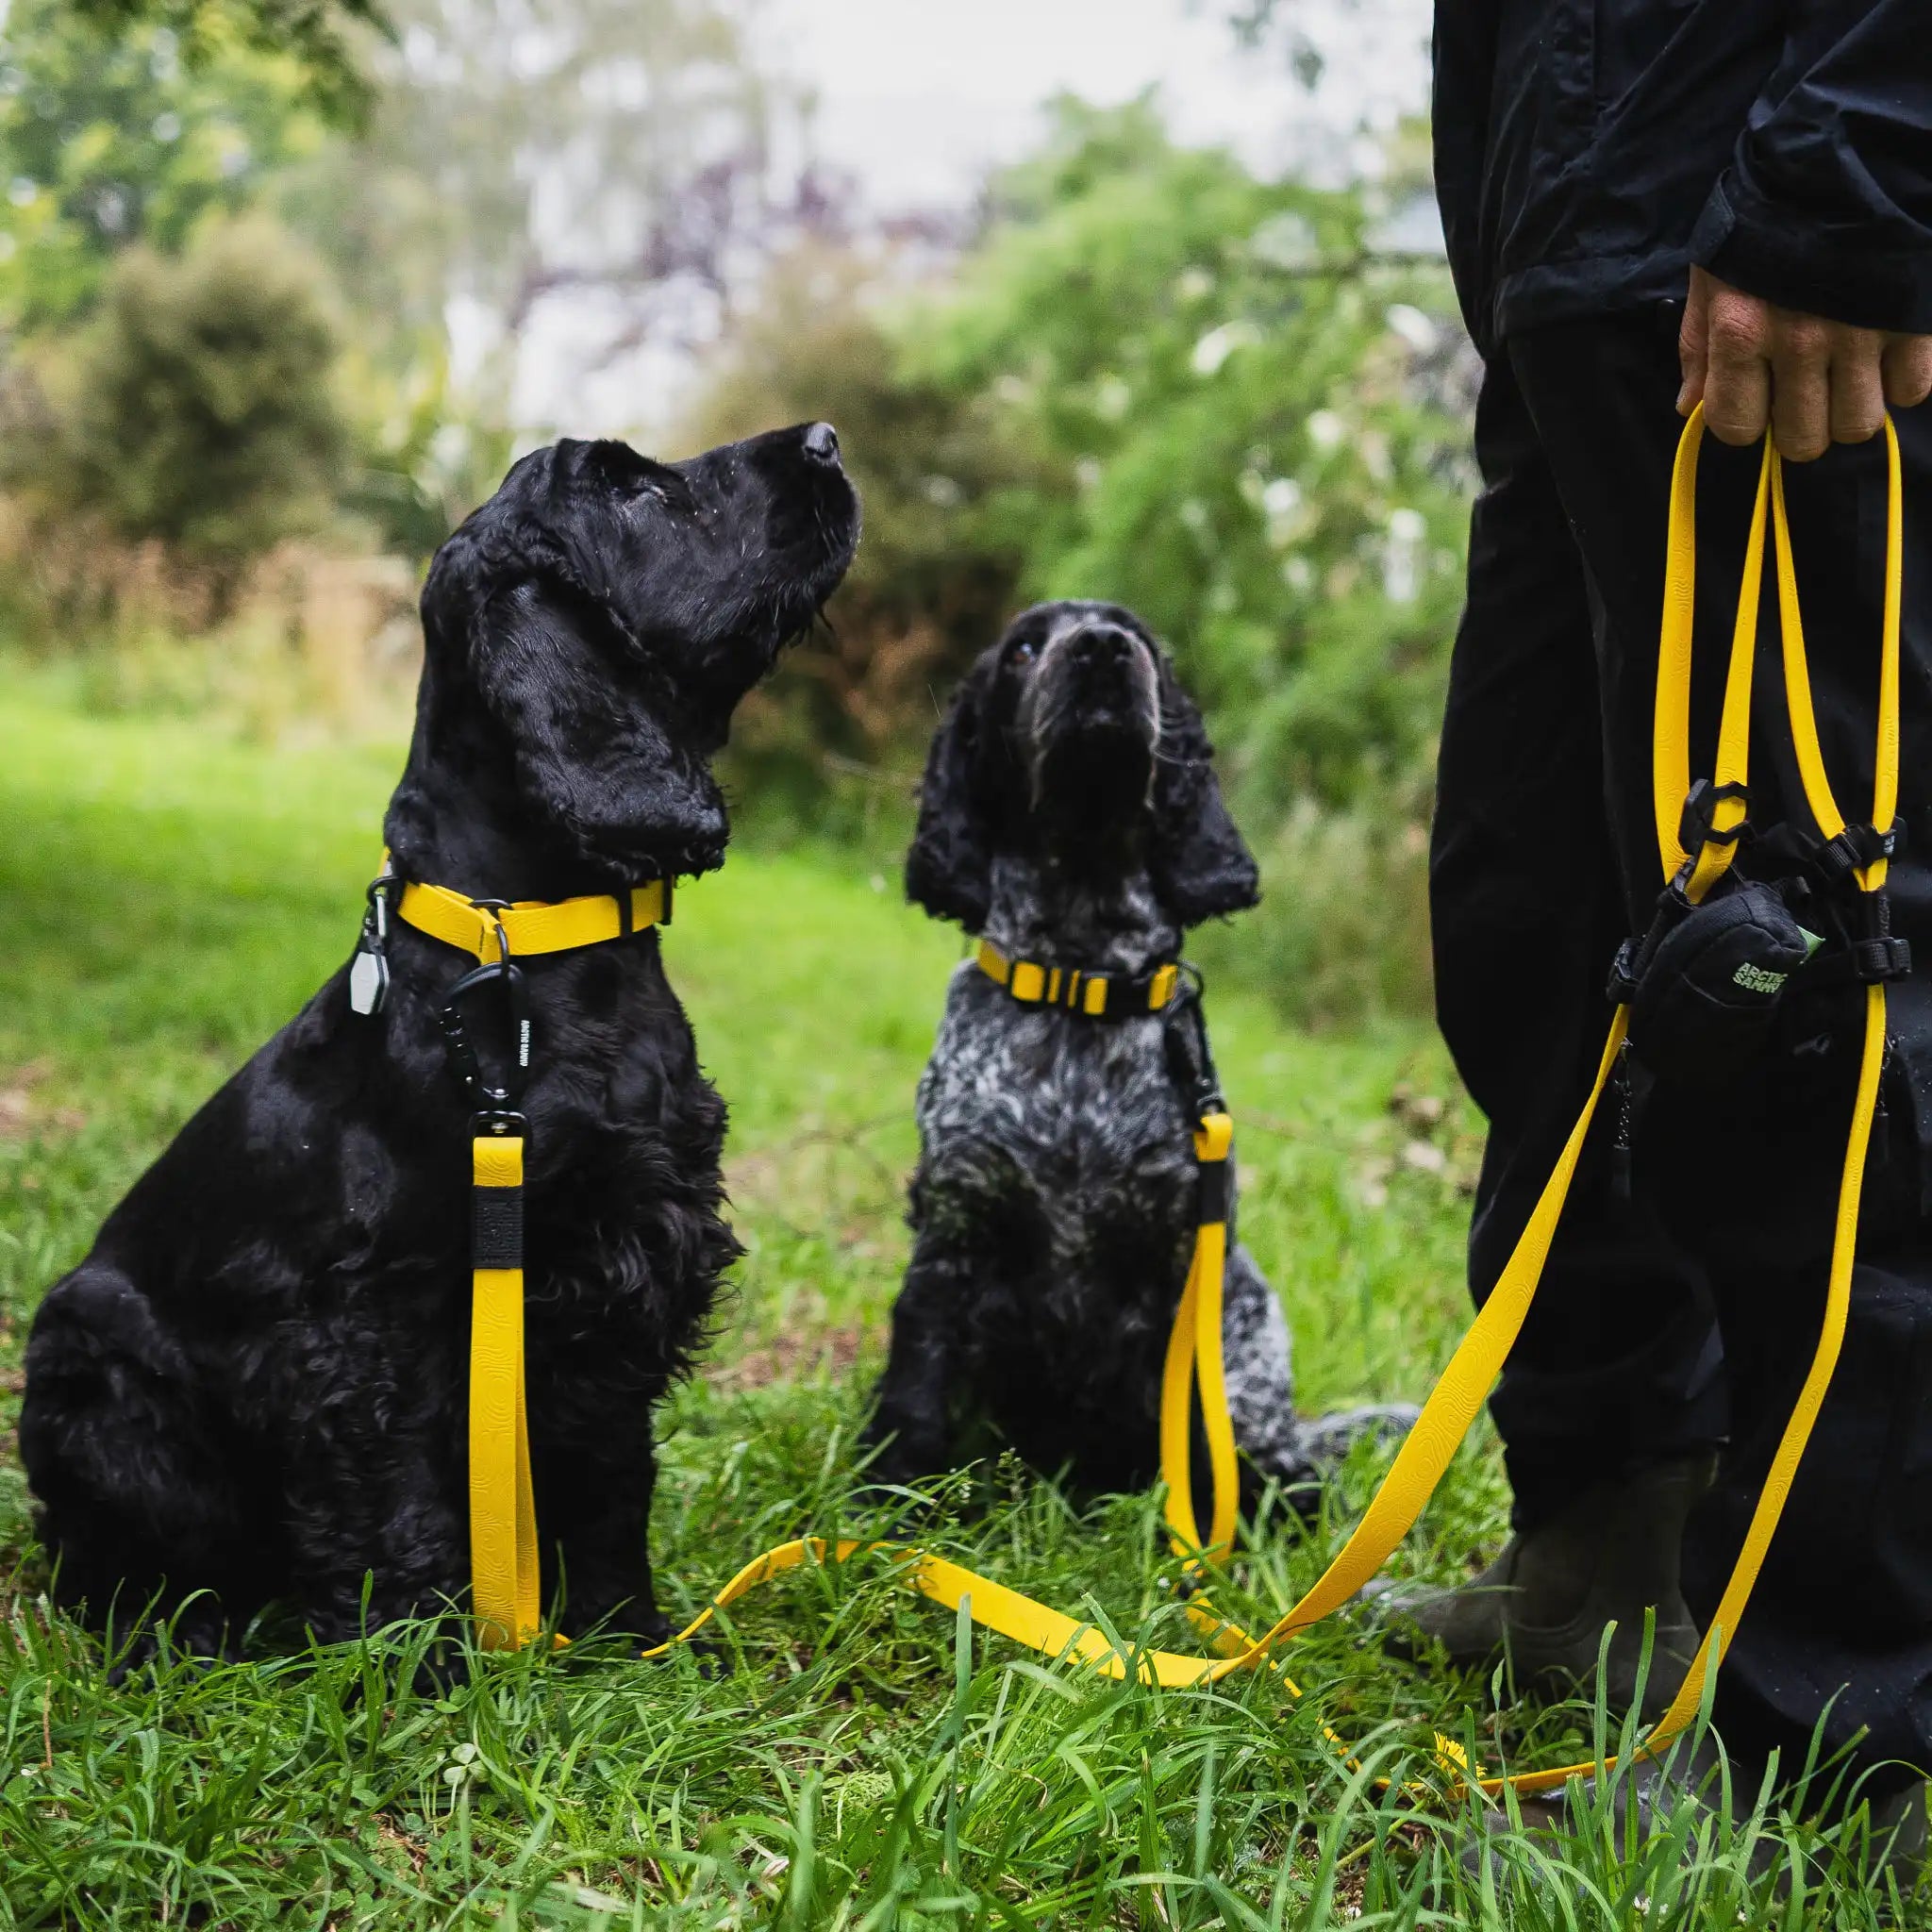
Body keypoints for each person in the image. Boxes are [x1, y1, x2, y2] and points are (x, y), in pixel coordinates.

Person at [1399, 0, 1932, 1837]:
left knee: (1803, 979)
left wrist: (1860, 165)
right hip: (1570, 270)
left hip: (1782, 240)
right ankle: (1603, 1549)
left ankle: (1843, 1726)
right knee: (1529, 923)